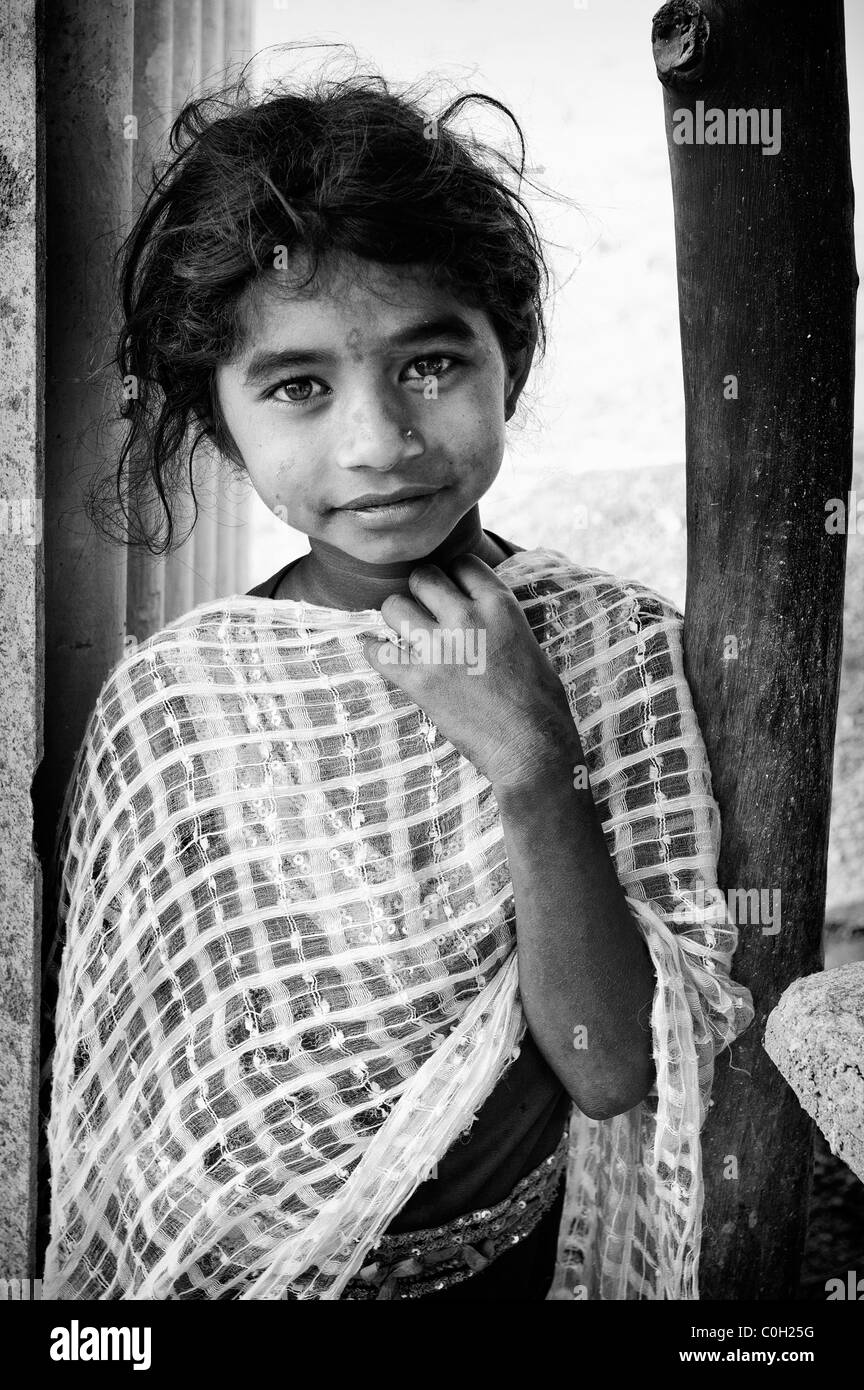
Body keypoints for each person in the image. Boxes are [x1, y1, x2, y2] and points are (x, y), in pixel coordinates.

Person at [41, 62, 753, 1301]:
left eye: (432, 363)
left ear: (508, 362)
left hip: (512, 1269)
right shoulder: (180, 706)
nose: (378, 442)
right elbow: (142, 1120)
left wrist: (534, 763)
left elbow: (611, 1069)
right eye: (299, 386)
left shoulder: (616, 646)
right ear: (220, 419)